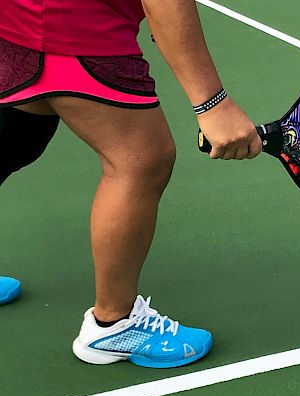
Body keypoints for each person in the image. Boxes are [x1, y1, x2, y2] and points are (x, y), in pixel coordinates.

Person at [0, 0, 262, 368]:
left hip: (16, 15)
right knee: (142, 161)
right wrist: (213, 104)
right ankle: (113, 325)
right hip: (78, 25)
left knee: (17, 132)